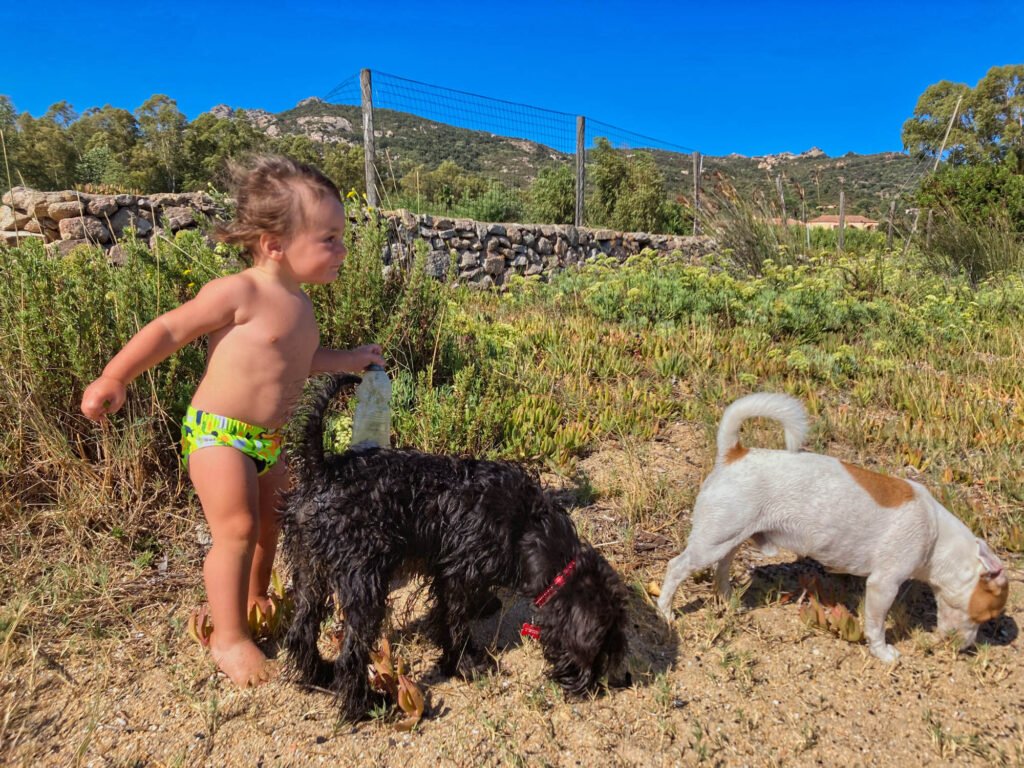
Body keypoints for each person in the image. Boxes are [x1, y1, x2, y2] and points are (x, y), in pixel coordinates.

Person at [80, 155, 384, 687]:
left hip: (270, 439)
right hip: (219, 432)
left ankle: (253, 600)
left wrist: (349, 358)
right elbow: (171, 330)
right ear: (274, 244)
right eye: (329, 238)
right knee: (237, 530)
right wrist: (115, 376)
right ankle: (229, 638)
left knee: (273, 524)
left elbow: (298, 361)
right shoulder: (239, 292)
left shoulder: (301, 306)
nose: (342, 250)